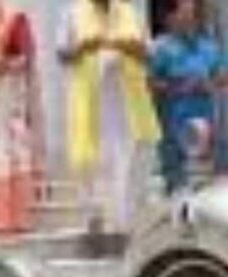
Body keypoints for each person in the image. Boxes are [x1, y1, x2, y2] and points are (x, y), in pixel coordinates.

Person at [58, 0, 161, 232]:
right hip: (92, 101)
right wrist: (83, 47)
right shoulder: (73, 13)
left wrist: (130, 47)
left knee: (131, 159)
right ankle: (98, 223)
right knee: (94, 163)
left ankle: (126, 225)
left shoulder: (130, 13)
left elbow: (148, 53)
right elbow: (63, 54)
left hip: (129, 102)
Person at [150, 0, 221, 193]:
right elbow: (150, 83)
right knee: (176, 173)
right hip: (174, 117)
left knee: (203, 175)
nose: (191, 20)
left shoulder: (208, 47)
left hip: (202, 118)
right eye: (186, 14)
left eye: (194, 15)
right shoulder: (160, 48)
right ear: (170, 18)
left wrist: (209, 84)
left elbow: (219, 78)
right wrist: (177, 87)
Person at [0, 0, 43, 235]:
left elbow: (26, 58)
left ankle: (16, 220)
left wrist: (2, 65)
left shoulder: (14, 19)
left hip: (10, 102)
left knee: (13, 155)